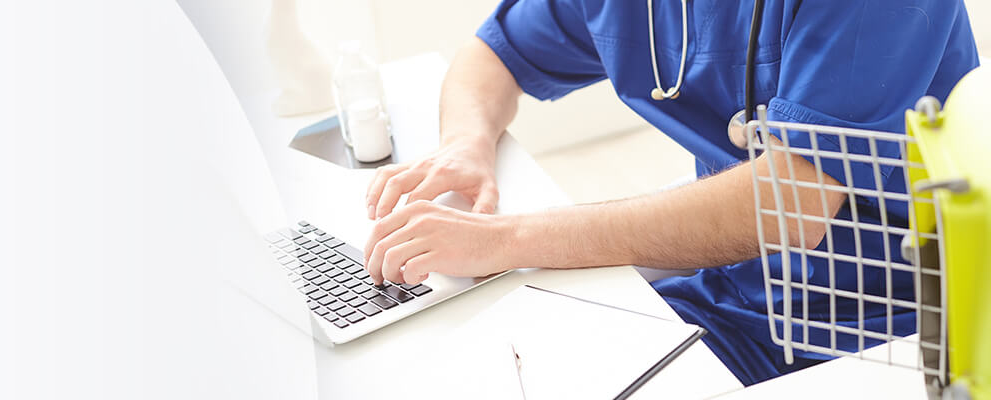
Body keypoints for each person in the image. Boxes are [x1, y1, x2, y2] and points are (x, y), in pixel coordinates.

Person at [360, 0, 979, 385]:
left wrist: (507, 239)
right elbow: (491, 55)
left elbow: (793, 202)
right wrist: (464, 144)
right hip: (735, 286)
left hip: (886, 326)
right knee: (469, 359)